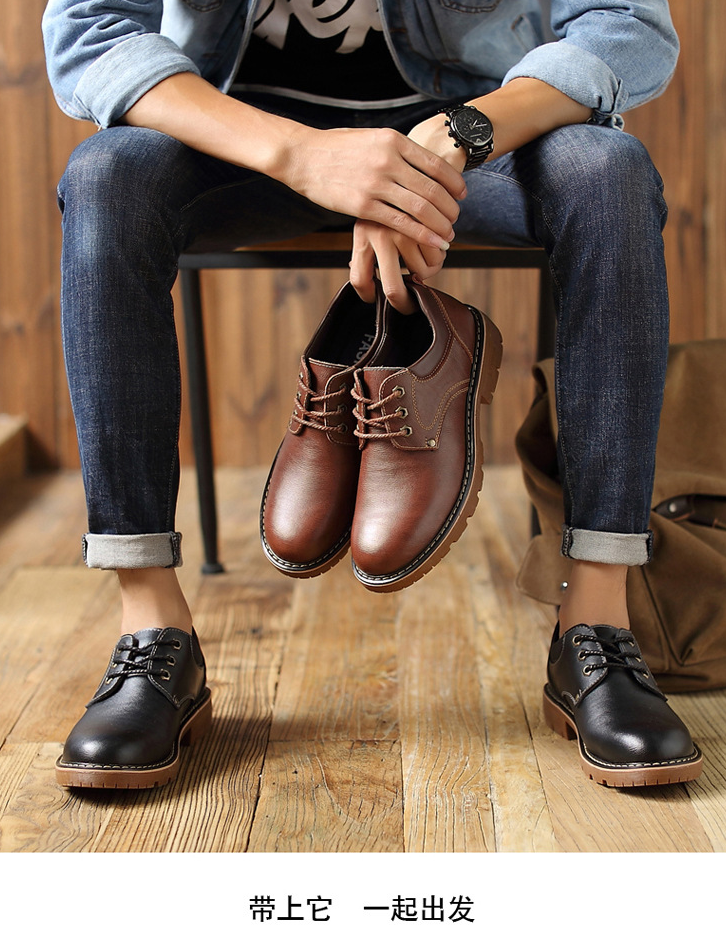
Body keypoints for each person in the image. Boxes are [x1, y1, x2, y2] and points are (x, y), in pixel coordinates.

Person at [42, 0, 702, 790]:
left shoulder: (468, 131)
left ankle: (595, 624)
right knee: (106, 178)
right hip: (239, 131)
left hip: (477, 129)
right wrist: (299, 152)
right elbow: (90, 32)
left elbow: (627, 23)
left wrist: (455, 137)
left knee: (609, 174)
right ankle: (153, 630)